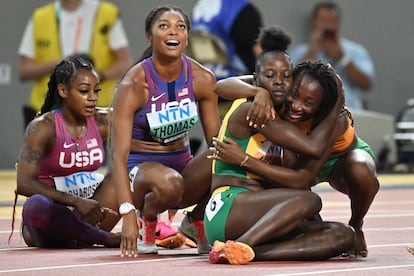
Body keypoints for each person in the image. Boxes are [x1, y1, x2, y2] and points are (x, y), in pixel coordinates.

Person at [203, 26, 355, 265]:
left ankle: (245, 251)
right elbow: (313, 148)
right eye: (270, 76)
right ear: (257, 79)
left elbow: (299, 179)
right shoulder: (255, 110)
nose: (279, 83)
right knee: (309, 201)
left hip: (262, 213)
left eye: (286, 76)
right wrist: (337, 105)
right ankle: (241, 243)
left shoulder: (286, 116)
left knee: (344, 235)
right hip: (229, 206)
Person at [109, 5, 221, 257]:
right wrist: (126, 211)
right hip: (141, 176)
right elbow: (116, 155)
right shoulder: (134, 83)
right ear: (150, 36)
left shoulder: (202, 78)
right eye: (164, 26)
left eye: (180, 26)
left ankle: (196, 220)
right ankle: (145, 221)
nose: (173, 32)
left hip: (182, 170)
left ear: (187, 35)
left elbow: (216, 141)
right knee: (170, 182)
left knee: (225, 157)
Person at [14, 56, 122, 248]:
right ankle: (102, 238)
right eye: (84, 91)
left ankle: (83, 235)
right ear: (62, 90)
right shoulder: (42, 128)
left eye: (96, 91)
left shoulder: (103, 120)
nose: (93, 98)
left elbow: (138, 114)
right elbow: (23, 183)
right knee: (35, 205)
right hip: (51, 216)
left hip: (90, 212)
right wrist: (75, 200)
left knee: (123, 177)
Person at [18, 0, 132, 128]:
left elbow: (124, 63)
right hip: (48, 111)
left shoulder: (106, 13)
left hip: (96, 112)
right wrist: (60, 64)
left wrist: (95, 78)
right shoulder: (40, 17)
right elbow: (24, 71)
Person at [289, 1, 374, 110]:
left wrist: (343, 58)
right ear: (314, 22)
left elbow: (366, 84)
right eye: (323, 20)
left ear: (338, 23)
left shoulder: (355, 51)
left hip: (348, 112)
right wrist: (312, 51)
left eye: (332, 21)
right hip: (311, 112)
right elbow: (291, 82)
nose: (327, 26)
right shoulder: (301, 51)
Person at [190, 0, 263, 80]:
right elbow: (259, 51)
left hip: (206, 79)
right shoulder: (240, 9)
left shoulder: (199, 8)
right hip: (237, 81)